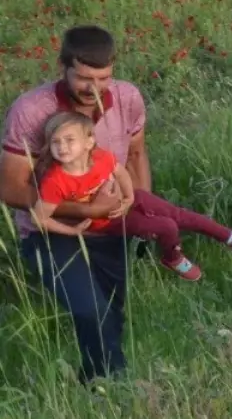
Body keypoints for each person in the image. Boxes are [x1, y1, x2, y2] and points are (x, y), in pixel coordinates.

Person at [2, 26, 150, 382]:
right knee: (90, 309)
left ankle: (94, 383)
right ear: (62, 66)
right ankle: (116, 387)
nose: (94, 89)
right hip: (48, 230)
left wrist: (141, 211)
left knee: (112, 313)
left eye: (103, 78)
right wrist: (85, 211)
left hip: (112, 224)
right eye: (84, 78)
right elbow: (8, 187)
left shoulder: (127, 97)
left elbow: (136, 154)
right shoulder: (31, 110)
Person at [33, 110, 232, 281]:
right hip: (108, 221)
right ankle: (172, 258)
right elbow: (40, 218)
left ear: (89, 142)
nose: (62, 147)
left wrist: (130, 197)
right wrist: (72, 231)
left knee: (180, 215)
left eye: (69, 140)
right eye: (55, 141)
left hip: (129, 199)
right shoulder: (55, 181)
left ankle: (230, 237)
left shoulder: (101, 157)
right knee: (166, 226)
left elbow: (120, 172)